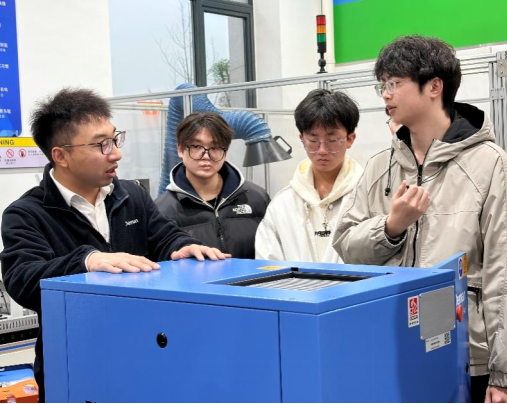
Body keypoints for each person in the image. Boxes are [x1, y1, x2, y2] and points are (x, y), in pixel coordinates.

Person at [333, 36, 507, 404]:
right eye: (382, 85)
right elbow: (346, 246)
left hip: (465, 356)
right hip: (391, 349)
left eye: (394, 83)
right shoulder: (380, 167)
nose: (385, 95)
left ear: (434, 87)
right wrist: (391, 227)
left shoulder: (490, 165)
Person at [0, 89, 230, 402]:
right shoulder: (27, 213)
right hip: (75, 368)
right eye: (102, 145)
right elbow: (22, 279)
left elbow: (165, 236)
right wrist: (87, 261)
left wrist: (184, 245)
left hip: (144, 358)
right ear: (61, 156)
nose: (116, 154)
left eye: (115, 139)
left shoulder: (131, 196)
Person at [255, 89, 363, 262]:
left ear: (350, 139)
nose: (322, 150)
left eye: (332, 140)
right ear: (302, 139)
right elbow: (267, 261)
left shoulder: (367, 197)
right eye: (313, 141)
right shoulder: (283, 204)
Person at [156, 112, 270, 259]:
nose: (206, 156)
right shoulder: (162, 209)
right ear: (180, 149)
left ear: (225, 152)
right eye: (196, 146)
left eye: (215, 147)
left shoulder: (256, 198)